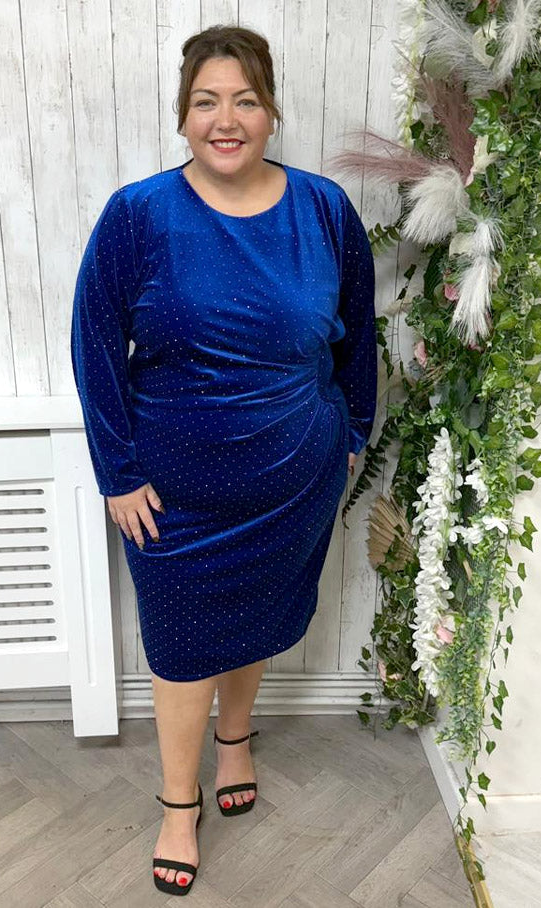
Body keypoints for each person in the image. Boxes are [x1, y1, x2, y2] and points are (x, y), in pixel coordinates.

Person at [70, 23, 377, 898]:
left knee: (255, 621)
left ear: (271, 110)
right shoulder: (138, 215)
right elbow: (95, 344)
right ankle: (179, 802)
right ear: (183, 115)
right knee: (179, 647)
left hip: (293, 483)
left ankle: (235, 741)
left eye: (245, 99)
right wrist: (117, 471)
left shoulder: (324, 210)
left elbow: (358, 337)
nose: (226, 119)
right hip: (172, 496)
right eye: (206, 101)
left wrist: (353, 435)